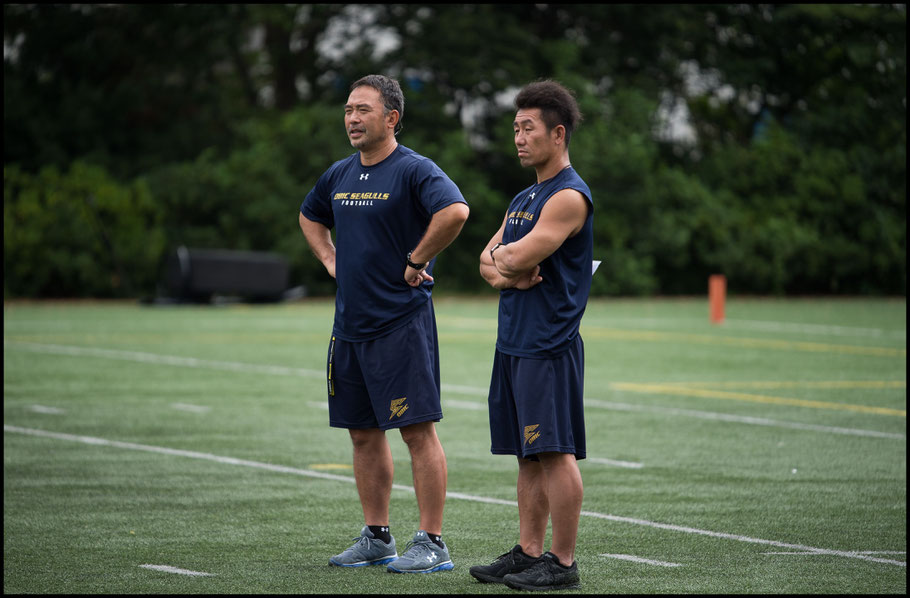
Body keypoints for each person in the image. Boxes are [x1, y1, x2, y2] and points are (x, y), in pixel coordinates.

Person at [298, 74, 469, 574]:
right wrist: (329, 259)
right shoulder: (338, 174)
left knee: (417, 433)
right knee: (362, 434)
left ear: (391, 118)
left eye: (363, 110)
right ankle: (377, 537)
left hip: (400, 323)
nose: (352, 118)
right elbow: (310, 216)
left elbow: (455, 211)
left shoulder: (414, 170)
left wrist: (417, 259)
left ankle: (432, 542)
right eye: (348, 109)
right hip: (349, 326)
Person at [470, 80, 593, 591]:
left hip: (548, 343)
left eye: (528, 128)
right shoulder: (525, 195)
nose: (518, 138)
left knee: (555, 451)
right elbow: (486, 261)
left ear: (557, 133)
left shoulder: (568, 196)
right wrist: (508, 268)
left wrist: (509, 264)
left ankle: (562, 563)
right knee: (528, 453)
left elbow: (513, 256)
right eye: (515, 128)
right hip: (514, 341)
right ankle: (528, 551)